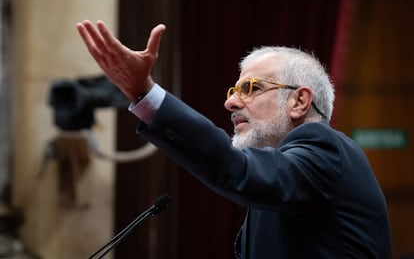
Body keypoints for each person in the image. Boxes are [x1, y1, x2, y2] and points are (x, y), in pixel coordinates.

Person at [76, 20, 392, 259]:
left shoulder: (324, 150)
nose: (231, 102)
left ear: (299, 102)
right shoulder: (285, 176)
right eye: (233, 91)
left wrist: (146, 94)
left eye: (251, 88)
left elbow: (237, 171)